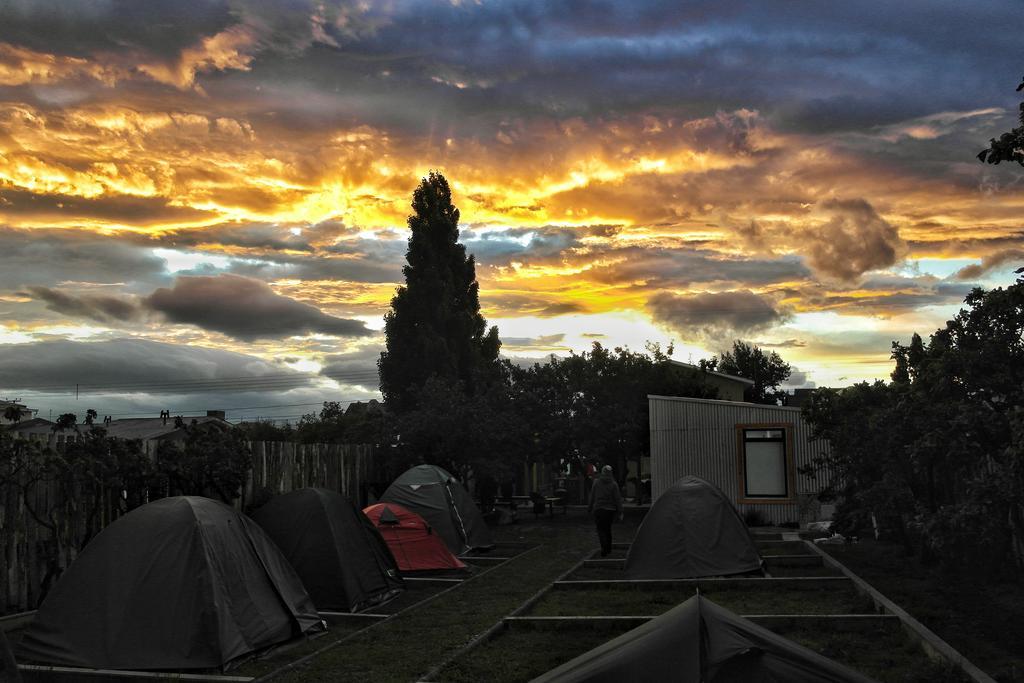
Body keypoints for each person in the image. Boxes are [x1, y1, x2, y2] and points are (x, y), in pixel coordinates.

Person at [588, 465, 623, 557]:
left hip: (598, 509)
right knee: (608, 529)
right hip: (610, 510)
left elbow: (592, 496)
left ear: (602, 472)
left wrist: (589, 507)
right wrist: (620, 511)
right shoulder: (614, 484)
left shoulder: (596, 482)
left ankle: (604, 548)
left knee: (600, 529)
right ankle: (608, 548)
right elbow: (617, 499)